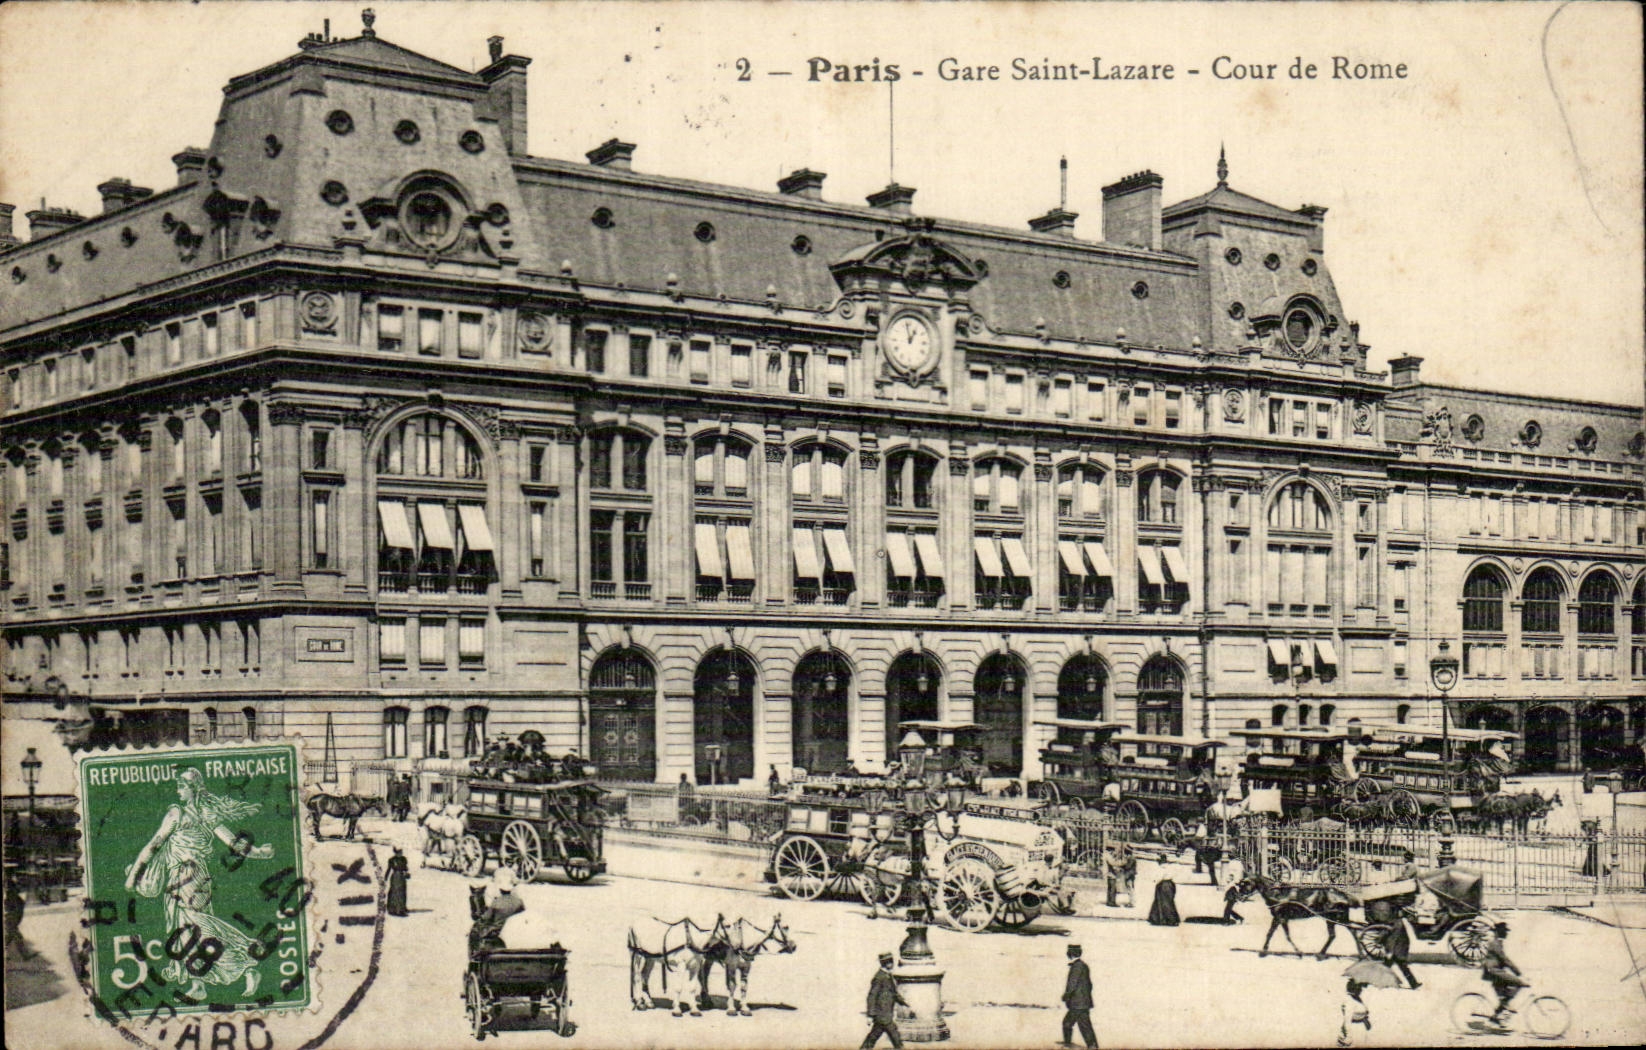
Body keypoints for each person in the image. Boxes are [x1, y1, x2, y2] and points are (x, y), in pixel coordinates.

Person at [124, 767, 275, 996]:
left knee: (194, 930)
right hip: (200, 877)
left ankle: (244, 967)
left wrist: (133, 876)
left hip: (183, 878)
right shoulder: (208, 816)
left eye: (181, 786)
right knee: (189, 930)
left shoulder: (177, 814)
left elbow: (153, 845)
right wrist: (260, 852)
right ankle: (198, 984)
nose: (178, 791)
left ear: (191, 789)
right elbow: (235, 843)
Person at [1480, 921, 1528, 1026]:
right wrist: (1518, 973)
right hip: (1493, 971)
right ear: (1499, 932)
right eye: (1504, 931)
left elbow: (1503, 961)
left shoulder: (1497, 942)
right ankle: (1505, 1006)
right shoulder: (1495, 943)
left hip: (1496, 972)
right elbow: (1505, 960)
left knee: (1505, 993)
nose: (1506, 933)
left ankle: (1497, 1016)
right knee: (1518, 982)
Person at [470, 867, 526, 953]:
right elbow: (523, 916)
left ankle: (475, 957)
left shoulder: (496, 902)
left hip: (497, 931)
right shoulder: (519, 902)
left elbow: (485, 919)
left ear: (500, 889)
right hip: (514, 929)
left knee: (474, 932)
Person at [861, 951, 906, 1049]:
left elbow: (893, 993)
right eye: (890, 962)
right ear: (886, 963)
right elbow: (872, 996)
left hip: (884, 1014)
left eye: (892, 961)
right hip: (883, 1014)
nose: (892, 964)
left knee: (874, 1036)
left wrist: (904, 1003)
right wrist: (870, 1015)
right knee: (895, 1036)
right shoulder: (879, 977)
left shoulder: (887, 975)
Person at [1060, 943, 1098, 1049]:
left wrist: (1066, 996)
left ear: (1070, 954)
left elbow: (1072, 984)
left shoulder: (1076, 967)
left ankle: (1091, 1045)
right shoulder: (1083, 965)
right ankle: (1088, 1044)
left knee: (1079, 1024)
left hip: (1077, 1004)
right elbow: (1090, 985)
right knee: (1070, 1023)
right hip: (1082, 1002)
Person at [1337, 977, 1371, 1047]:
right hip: (1353, 1030)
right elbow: (1347, 1020)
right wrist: (1349, 1037)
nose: (1361, 989)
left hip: (1360, 1029)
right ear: (1354, 988)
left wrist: (1365, 1020)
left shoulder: (1357, 999)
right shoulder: (1349, 1001)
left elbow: (1362, 1012)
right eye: (1359, 987)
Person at [386, 846, 409, 917]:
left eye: (401, 852)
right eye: (400, 852)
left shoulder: (403, 859)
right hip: (395, 876)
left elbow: (406, 868)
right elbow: (389, 869)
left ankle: (402, 908)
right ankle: (393, 909)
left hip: (402, 876)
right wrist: (385, 877)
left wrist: (406, 872)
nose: (401, 853)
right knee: (395, 892)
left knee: (402, 892)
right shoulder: (392, 860)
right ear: (396, 853)